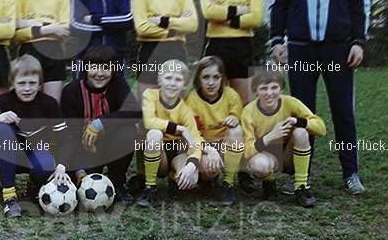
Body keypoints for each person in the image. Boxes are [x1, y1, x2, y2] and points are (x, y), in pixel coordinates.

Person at [269, 0, 370, 195]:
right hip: (300, 48)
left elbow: (360, 4)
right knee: (303, 114)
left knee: (343, 112)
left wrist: (359, 42)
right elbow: (279, 3)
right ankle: (304, 175)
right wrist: (277, 40)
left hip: (339, 49)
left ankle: (350, 173)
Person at [0, 54, 69, 217]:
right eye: (21, 83)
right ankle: (9, 196)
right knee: (3, 127)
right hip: (9, 156)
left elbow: (66, 139)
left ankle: (34, 185)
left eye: (32, 83)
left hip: (36, 153)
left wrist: (61, 165)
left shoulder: (49, 103)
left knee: (46, 165)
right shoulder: (3, 101)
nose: (27, 88)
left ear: (40, 84)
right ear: (12, 83)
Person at [60, 45, 141, 204]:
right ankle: (84, 176)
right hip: (83, 148)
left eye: (105, 68)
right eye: (94, 67)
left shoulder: (117, 84)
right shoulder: (71, 92)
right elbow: (68, 134)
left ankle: (117, 183)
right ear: (86, 68)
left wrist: (100, 123)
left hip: (111, 143)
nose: (99, 73)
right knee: (87, 180)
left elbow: (136, 112)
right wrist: (78, 169)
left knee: (128, 130)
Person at [240, 69, 326, 207]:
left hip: (288, 153)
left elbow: (321, 129)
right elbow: (247, 151)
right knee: (259, 166)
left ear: (281, 88)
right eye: (264, 89)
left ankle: (301, 186)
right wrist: (270, 136)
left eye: (274, 87)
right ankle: (269, 181)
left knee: (301, 133)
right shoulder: (249, 112)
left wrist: (298, 121)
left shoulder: (291, 103)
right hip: (266, 155)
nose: (269, 93)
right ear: (255, 91)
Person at [200, 0, 263, 103]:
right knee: (214, 100)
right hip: (216, 46)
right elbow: (209, 12)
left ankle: (243, 129)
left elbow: (256, 18)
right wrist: (241, 10)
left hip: (243, 47)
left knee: (244, 102)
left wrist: (224, 17)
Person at [133, 0, 198, 102]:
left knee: (176, 102)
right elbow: (142, 28)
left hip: (176, 52)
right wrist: (176, 28)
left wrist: (163, 21)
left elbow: (192, 25)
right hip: (150, 53)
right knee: (147, 102)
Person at [136, 59, 203, 207]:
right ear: (159, 80)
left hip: (177, 152)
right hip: (157, 149)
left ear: (185, 84)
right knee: (154, 133)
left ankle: (174, 179)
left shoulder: (185, 110)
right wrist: (180, 129)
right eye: (168, 77)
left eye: (178, 79)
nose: (172, 83)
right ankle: (150, 187)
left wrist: (192, 165)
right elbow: (149, 121)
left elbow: (196, 140)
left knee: (191, 179)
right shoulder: (150, 95)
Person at [13, 0, 70, 103]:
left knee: (53, 104)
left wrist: (28, 24)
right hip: (28, 52)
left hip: (54, 53)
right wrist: (49, 27)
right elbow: (16, 34)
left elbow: (64, 31)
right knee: (29, 103)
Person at [185, 56, 244, 205]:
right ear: (198, 79)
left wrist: (235, 117)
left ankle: (228, 183)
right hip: (203, 146)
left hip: (225, 145)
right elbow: (192, 134)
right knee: (207, 168)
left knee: (236, 130)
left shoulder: (231, 95)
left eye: (216, 77)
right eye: (206, 77)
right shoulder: (191, 100)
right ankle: (207, 180)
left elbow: (238, 114)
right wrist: (208, 150)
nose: (211, 83)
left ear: (222, 78)